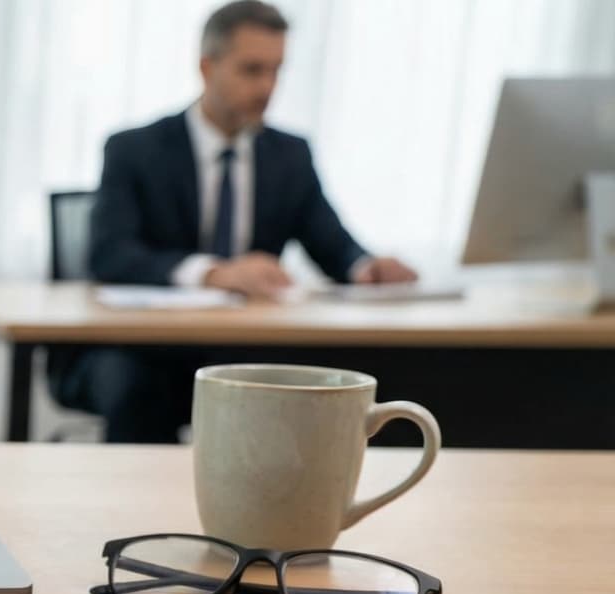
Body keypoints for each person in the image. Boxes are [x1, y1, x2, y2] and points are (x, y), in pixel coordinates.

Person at [55, 0, 417, 443]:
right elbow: (111, 254)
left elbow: (331, 243)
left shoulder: (290, 155)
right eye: (252, 69)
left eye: (276, 70)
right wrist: (214, 273)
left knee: (345, 379)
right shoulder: (134, 149)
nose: (267, 86)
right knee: (138, 387)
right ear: (207, 68)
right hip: (143, 348)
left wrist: (366, 267)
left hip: (247, 347)